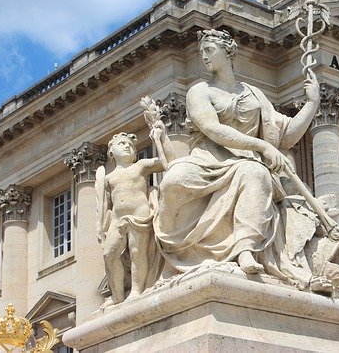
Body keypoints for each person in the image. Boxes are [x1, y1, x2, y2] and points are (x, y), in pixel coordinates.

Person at [155, 29, 321, 277]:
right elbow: (212, 128)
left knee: (256, 172)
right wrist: (260, 146)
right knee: (174, 179)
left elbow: (286, 136)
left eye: (209, 50)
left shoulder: (255, 95)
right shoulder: (200, 91)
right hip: (207, 160)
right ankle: (174, 242)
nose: (205, 57)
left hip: (246, 163)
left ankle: (244, 248)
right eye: (202, 52)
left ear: (227, 51)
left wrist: (312, 104)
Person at [96, 122, 174, 304]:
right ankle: (117, 298)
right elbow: (103, 205)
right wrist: (99, 227)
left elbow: (167, 163)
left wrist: (159, 138)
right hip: (116, 218)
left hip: (139, 214)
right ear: (111, 152)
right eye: (122, 144)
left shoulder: (140, 166)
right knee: (109, 254)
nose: (127, 147)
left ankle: (137, 290)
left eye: (130, 145)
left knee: (137, 252)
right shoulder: (107, 178)